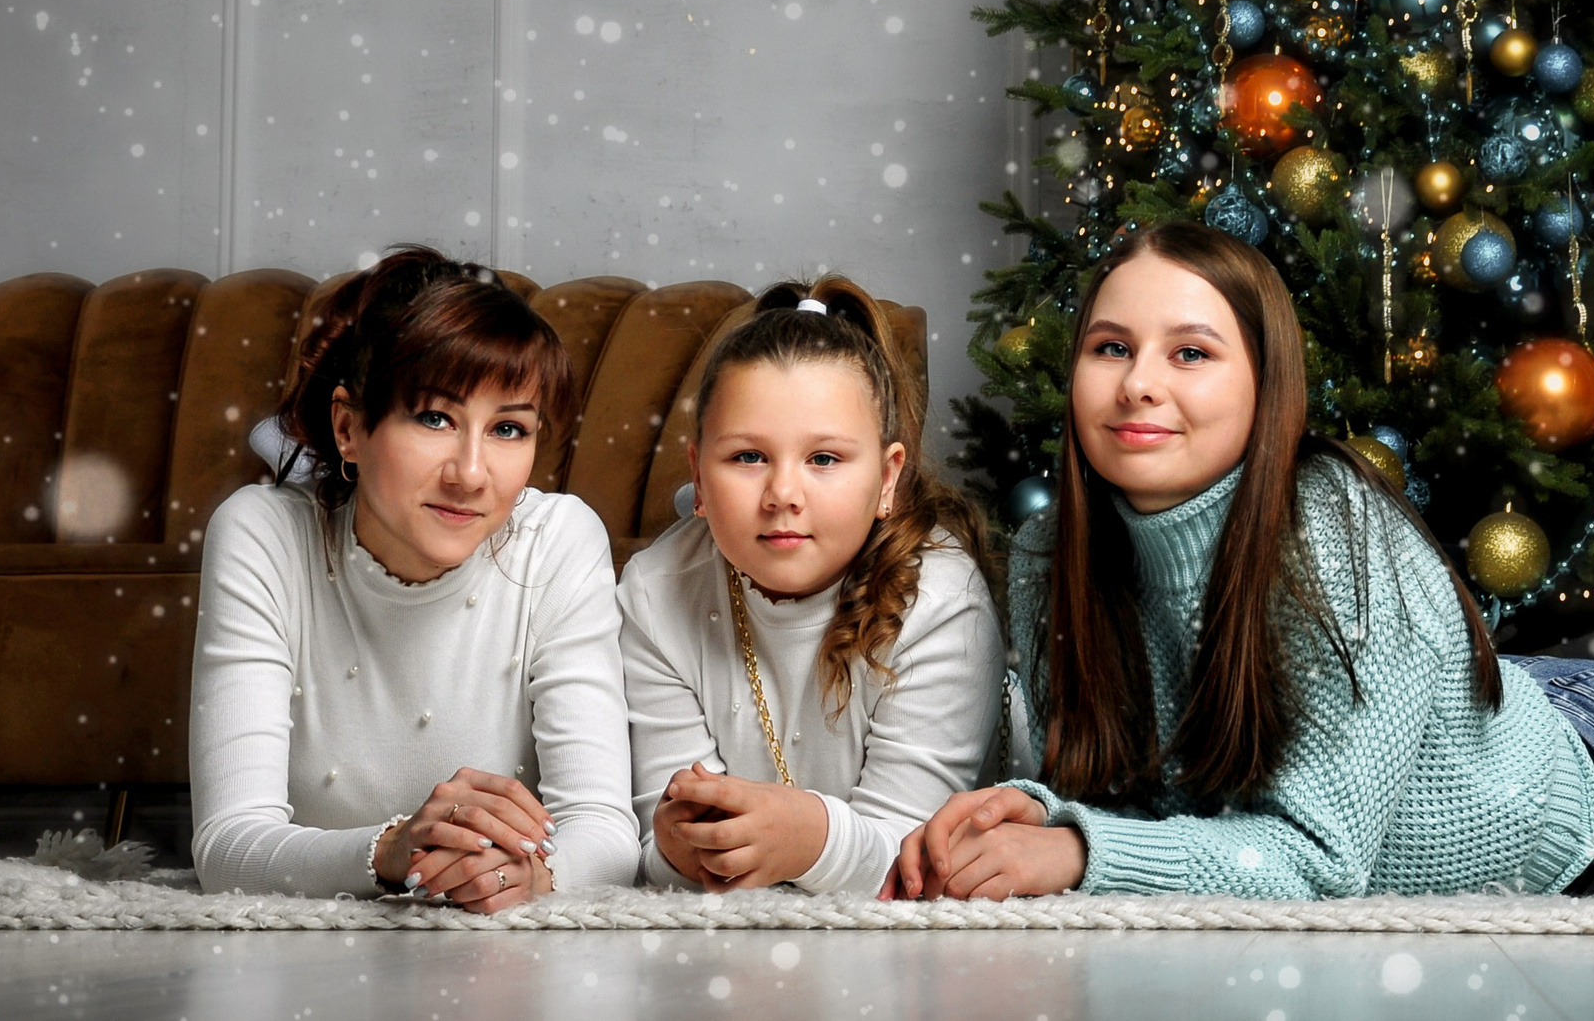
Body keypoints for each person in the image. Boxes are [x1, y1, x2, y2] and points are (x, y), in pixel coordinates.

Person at [893, 221, 1594, 901]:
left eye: (1191, 351)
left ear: (1266, 384)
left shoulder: (1328, 532)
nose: (1137, 384)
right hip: (1503, 713)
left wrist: (1076, 851)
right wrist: (1036, 805)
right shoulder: (1048, 549)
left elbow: (1318, 862)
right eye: (1109, 347)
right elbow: (1149, 791)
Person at [190, 246, 639, 908]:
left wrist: (528, 876)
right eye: (435, 418)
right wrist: (394, 850)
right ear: (348, 427)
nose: (472, 473)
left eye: (509, 428)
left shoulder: (558, 539)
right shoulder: (264, 534)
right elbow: (228, 848)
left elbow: (605, 831)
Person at [617, 280, 1001, 895]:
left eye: (824, 459)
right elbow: (656, 847)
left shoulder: (942, 603)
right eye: (747, 457)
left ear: (887, 478)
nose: (783, 495)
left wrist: (813, 840)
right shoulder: (655, 594)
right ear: (697, 473)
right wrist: (678, 847)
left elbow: (915, 861)